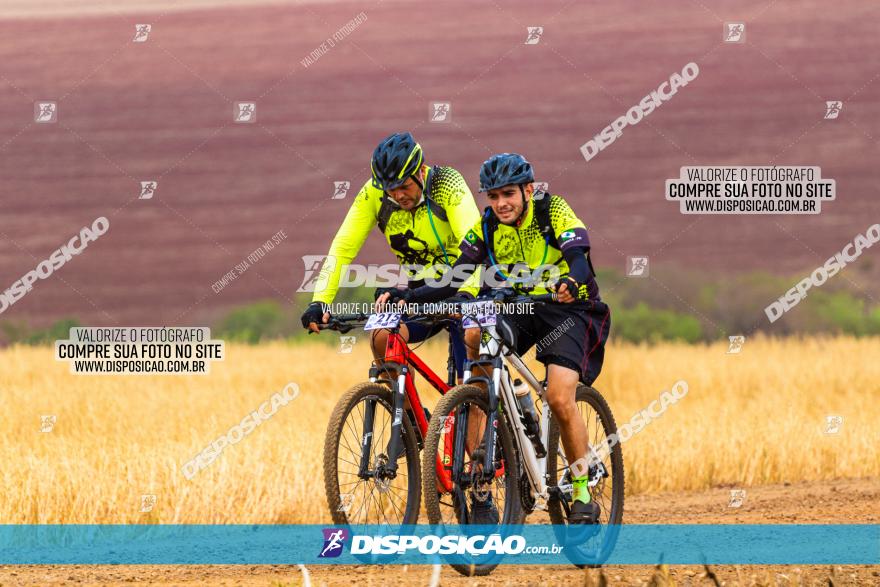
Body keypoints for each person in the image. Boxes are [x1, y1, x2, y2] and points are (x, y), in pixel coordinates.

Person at [387, 153, 611, 525]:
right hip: (520, 307)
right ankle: (481, 474)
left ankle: (583, 489)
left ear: (528, 189)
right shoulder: (488, 225)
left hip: (569, 310)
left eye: (508, 193)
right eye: (492, 196)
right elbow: (453, 278)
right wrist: (407, 297)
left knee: (558, 396)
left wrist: (572, 281)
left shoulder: (552, 210)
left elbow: (579, 259)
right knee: (475, 335)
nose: (500, 203)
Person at [300, 132, 480, 379]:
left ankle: (484, 403)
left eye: (404, 186)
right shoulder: (374, 193)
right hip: (420, 292)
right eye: (390, 189)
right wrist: (319, 301)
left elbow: (474, 246)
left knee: (468, 389)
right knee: (381, 335)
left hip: (466, 286)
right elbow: (343, 248)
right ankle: (406, 415)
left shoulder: (447, 183)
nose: (397, 195)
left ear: (421, 172)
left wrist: (466, 295)